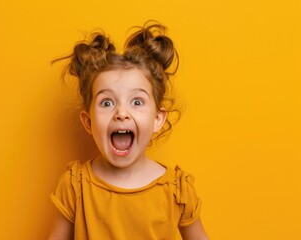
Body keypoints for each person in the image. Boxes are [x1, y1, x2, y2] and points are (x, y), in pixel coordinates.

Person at [48, 21, 209, 240]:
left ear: (157, 119)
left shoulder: (177, 190)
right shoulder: (74, 186)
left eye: (137, 101)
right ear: (88, 122)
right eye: (106, 103)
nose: (121, 113)